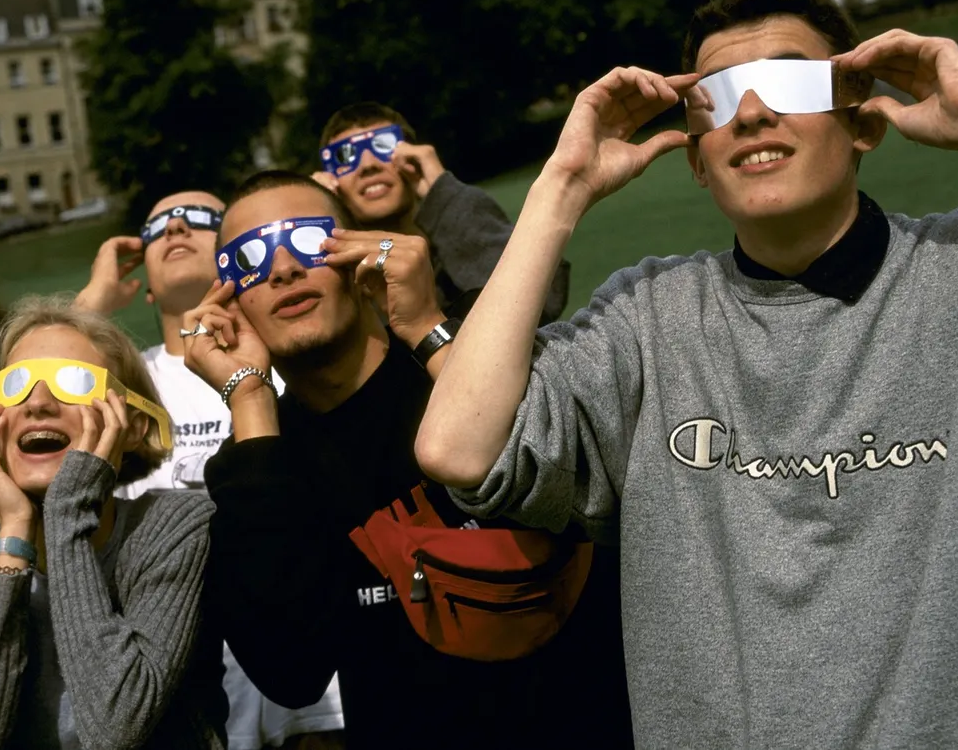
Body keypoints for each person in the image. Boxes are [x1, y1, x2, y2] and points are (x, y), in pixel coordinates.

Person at [415, 0, 958, 748]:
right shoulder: (646, 318)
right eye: (719, 97)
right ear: (698, 160)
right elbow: (458, 448)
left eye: (791, 82)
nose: (753, 113)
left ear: (863, 120)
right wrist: (560, 191)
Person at [183, 170, 628, 750]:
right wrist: (249, 399)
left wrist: (427, 328)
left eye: (308, 240)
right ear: (228, 300)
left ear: (361, 255)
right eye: (250, 258)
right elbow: (290, 672)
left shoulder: (476, 358)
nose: (283, 268)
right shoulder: (254, 466)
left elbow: (591, 498)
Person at [75, 191, 344, 750]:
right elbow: (36, 392)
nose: (175, 227)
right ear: (147, 288)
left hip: (321, 691)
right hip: (191, 693)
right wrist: (94, 300)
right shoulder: (126, 385)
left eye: (199, 220)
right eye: (156, 229)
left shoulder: (292, 354)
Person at [0, 294, 224, 749]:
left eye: (74, 382)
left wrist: (68, 511)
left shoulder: (174, 526)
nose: (38, 403)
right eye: (17, 383)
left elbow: (115, 729)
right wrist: (14, 536)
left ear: (133, 425)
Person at [313, 102, 571, 323]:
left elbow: (543, 300)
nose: (368, 164)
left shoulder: (458, 230)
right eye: (345, 156)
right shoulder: (343, 277)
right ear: (330, 179)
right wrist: (317, 221)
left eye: (383, 146)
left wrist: (444, 194)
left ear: (413, 157)